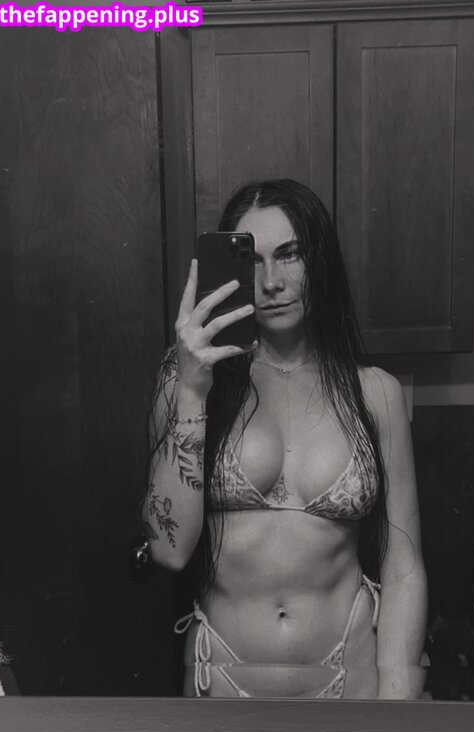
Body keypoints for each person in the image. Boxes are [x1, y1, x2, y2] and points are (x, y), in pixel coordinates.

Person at [143, 179, 427, 699]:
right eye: (252, 260)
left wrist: (396, 708)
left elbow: (403, 567)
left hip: (351, 684)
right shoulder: (187, 380)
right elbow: (168, 550)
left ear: (319, 260)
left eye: (290, 254)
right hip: (222, 684)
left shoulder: (376, 393)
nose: (271, 282)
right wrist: (190, 388)